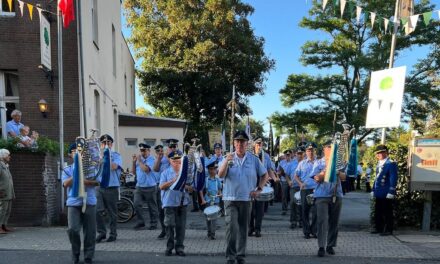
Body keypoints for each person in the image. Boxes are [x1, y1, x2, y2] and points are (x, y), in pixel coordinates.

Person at [218, 130, 269, 264]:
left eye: (242, 142)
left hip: (246, 199)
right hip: (230, 199)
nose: (240, 144)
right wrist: (225, 162)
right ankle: (230, 256)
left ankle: (240, 255)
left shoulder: (253, 159)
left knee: (243, 228)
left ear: (247, 144)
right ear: (234, 143)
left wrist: (259, 189)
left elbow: (265, 175)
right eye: (237, 141)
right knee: (232, 227)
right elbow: (220, 175)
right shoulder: (227, 158)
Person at [62, 143, 99, 264]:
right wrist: (77, 173)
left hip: (89, 201)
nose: (77, 153)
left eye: (79, 151)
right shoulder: (67, 169)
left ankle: (89, 256)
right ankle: (75, 254)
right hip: (73, 203)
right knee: (73, 229)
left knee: (90, 231)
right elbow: (65, 184)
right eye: (74, 151)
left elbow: (98, 182)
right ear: (70, 155)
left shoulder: (91, 168)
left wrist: (85, 180)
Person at [311, 141, 346, 257]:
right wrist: (325, 171)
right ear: (324, 150)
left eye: (332, 148)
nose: (331, 150)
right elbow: (316, 178)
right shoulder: (318, 163)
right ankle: (321, 246)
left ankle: (330, 245)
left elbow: (344, 177)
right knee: (322, 221)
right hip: (322, 195)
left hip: (336, 195)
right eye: (329, 148)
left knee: (334, 221)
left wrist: (337, 171)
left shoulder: (339, 163)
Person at [159, 150, 191, 257]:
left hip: (182, 203)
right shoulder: (165, 172)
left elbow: (191, 189)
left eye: (179, 161)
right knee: (169, 225)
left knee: (181, 227)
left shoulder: (186, 173)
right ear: (170, 161)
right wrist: (173, 181)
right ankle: (169, 247)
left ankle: (180, 248)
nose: (177, 164)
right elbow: (161, 186)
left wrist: (183, 184)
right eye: (174, 161)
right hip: (169, 203)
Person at [95, 134, 122, 243]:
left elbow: (113, 167)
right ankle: (101, 233)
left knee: (112, 212)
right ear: (100, 144)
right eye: (104, 143)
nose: (106, 145)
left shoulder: (116, 155)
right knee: (97, 210)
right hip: (99, 186)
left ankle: (113, 233)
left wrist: (107, 156)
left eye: (108, 143)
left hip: (111, 186)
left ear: (111, 144)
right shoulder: (96, 156)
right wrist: (100, 157)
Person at [248, 137, 275, 238]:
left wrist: (274, 178)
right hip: (251, 184)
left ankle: (258, 229)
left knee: (260, 209)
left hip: (261, 184)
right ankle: (250, 228)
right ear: (253, 145)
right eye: (257, 144)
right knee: (250, 208)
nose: (259, 146)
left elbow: (269, 169)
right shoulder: (249, 155)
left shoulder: (266, 156)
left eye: (261, 144)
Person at [371, 144, 398, 236]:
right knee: (378, 211)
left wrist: (391, 191)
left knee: (387, 211)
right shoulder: (379, 163)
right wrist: (373, 189)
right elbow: (376, 178)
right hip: (379, 191)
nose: (378, 155)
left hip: (386, 192)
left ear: (386, 153)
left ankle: (388, 230)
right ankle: (379, 228)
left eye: (380, 152)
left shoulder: (391, 163)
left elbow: (393, 178)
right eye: (377, 153)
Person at [132, 143, 159, 230]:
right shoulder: (139, 160)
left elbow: (146, 170)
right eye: (141, 150)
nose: (142, 152)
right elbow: (134, 172)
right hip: (139, 186)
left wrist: (139, 161)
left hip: (150, 186)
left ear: (149, 151)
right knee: (136, 204)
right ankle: (140, 222)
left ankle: (153, 223)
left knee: (152, 206)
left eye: (144, 150)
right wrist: (133, 162)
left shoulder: (152, 159)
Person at [294, 142, 318, 239]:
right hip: (305, 189)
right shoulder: (301, 163)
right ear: (306, 152)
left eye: (312, 150)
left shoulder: (319, 162)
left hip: (317, 190)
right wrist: (300, 183)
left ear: (314, 151)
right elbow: (296, 175)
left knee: (316, 211)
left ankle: (314, 230)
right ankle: (307, 231)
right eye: (308, 150)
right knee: (305, 211)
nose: (310, 152)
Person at [200, 160, 222, 240]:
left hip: (216, 201)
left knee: (214, 219)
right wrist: (202, 200)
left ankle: (213, 233)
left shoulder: (217, 180)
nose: (213, 171)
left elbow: (219, 189)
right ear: (209, 170)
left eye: (214, 169)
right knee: (208, 218)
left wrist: (220, 194)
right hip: (208, 201)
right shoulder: (206, 180)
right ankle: (209, 232)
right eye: (211, 169)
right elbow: (201, 190)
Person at [153, 144, 171, 239]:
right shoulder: (157, 159)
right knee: (161, 210)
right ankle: (164, 230)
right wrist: (159, 158)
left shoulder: (169, 157)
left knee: (169, 209)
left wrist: (167, 156)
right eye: (158, 151)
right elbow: (155, 169)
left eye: (161, 150)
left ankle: (171, 230)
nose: (160, 152)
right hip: (160, 186)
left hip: (169, 185)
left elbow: (174, 165)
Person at [287, 147, 305, 229]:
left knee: (302, 204)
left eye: (301, 154)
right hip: (294, 186)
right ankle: (293, 221)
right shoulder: (291, 163)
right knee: (293, 203)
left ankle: (301, 221)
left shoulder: (306, 163)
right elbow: (286, 174)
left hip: (303, 187)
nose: (299, 155)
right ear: (295, 154)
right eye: (298, 154)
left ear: (303, 154)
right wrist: (289, 181)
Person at [277, 149, 296, 215]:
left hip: (292, 181)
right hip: (284, 180)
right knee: (284, 195)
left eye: (289, 154)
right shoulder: (281, 162)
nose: (288, 156)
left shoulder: (294, 162)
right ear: (285, 155)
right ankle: (284, 209)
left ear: (291, 155)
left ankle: (292, 209)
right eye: (286, 155)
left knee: (292, 196)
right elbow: (278, 171)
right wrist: (279, 173)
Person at [0, 149, 14, 235]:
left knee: (7, 210)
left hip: (8, 192)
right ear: (2, 156)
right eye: (8, 155)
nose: (9, 157)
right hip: (2, 192)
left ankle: (4, 225)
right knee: (1, 210)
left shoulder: (5, 165)